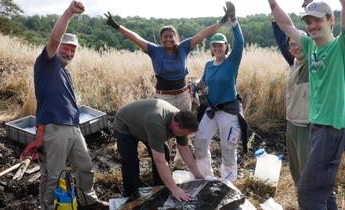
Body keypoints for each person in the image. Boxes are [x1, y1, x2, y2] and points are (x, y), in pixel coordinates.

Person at [104, 7, 231, 168]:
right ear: (161, 39)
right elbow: (135, 38)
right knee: (166, 132)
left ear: (175, 37)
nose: (168, 39)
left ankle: (180, 161)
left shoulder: (184, 47)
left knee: (183, 129)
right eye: (165, 37)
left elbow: (203, 34)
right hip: (164, 98)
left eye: (171, 36)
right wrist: (117, 26)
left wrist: (222, 21)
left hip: (183, 95)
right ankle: (166, 163)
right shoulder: (154, 50)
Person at [268, 0, 345, 209]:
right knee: (323, 191)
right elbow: (286, 25)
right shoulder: (310, 47)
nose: (312, 25)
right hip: (316, 126)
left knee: (308, 193)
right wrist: (273, 4)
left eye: (318, 19)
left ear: (331, 21)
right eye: (309, 21)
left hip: (332, 128)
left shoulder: (342, 47)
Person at [19, 1, 108, 209]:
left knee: (85, 167)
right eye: (65, 48)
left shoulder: (64, 72)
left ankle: (88, 200)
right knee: (54, 174)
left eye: (73, 50)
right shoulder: (47, 63)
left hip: (72, 128)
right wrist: (69, 13)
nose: (69, 53)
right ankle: (49, 207)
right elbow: (54, 39)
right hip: (56, 129)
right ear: (56, 48)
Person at [192, 1, 246, 183]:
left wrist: (233, 20)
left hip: (229, 111)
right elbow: (204, 82)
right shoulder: (208, 64)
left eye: (220, 45)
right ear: (211, 48)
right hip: (211, 109)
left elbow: (240, 41)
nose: (217, 48)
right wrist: (195, 84)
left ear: (226, 47)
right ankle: (205, 179)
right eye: (214, 46)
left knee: (228, 149)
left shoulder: (232, 62)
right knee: (199, 143)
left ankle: (228, 185)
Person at [113, 99, 204, 201]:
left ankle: (161, 187)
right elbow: (160, 162)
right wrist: (174, 189)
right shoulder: (157, 124)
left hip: (146, 123)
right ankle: (130, 194)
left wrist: (198, 175)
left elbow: (184, 150)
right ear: (176, 125)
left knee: (164, 153)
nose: (185, 136)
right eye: (184, 134)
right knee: (130, 161)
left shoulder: (183, 121)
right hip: (125, 124)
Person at [268, 0, 311, 195]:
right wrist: (272, 4)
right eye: (291, 44)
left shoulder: (314, 63)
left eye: (298, 44)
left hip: (307, 127)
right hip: (291, 126)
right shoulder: (294, 63)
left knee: (311, 175)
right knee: (296, 173)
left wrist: (310, 6)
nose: (294, 47)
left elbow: (321, 35)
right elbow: (281, 32)